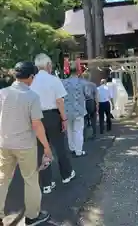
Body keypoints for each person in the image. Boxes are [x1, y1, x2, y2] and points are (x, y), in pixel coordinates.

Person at [0, 62, 51, 225]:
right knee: (30, 180)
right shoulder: (32, 97)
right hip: (25, 145)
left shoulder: (2, 93)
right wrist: (47, 147)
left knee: (2, 179)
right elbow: (37, 125)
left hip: (4, 142)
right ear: (30, 77)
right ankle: (32, 216)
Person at [30, 53, 75, 194]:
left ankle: (46, 184)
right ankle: (66, 175)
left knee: (42, 149)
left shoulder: (31, 81)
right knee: (60, 147)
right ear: (48, 65)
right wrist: (64, 118)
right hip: (53, 116)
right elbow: (59, 101)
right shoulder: (54, 80)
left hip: (37, 117)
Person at [62, 64, 87, 157]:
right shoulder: (82, 82)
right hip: (79, 109)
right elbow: (87, 94)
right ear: (78, 71)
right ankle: (79, 151)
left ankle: (72, 148)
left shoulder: (64, 82)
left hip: (67, 110)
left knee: (70, 130)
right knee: (78, 130)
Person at [82, 73, 98, 140]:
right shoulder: (93, 85)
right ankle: (94, 134)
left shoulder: (81, 85)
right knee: (93, 119)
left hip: (83, 102)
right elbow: (96, 96)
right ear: (89, 77)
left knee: (84, 120)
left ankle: (84, 136)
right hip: (91, 102)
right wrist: (97, 104)